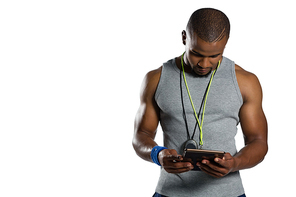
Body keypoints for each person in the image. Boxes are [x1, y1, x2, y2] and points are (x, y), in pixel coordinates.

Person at [133, 8, 268, 197]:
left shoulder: (246, 81)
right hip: (170, 193)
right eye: (196, 53)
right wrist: (158, 154)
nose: (204, 64)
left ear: (226, 44)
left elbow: (258, 142)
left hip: (228, 193)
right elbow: (141, 135)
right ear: (184, 38)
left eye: (214, 56)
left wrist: (234, 164)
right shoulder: (156, 78)